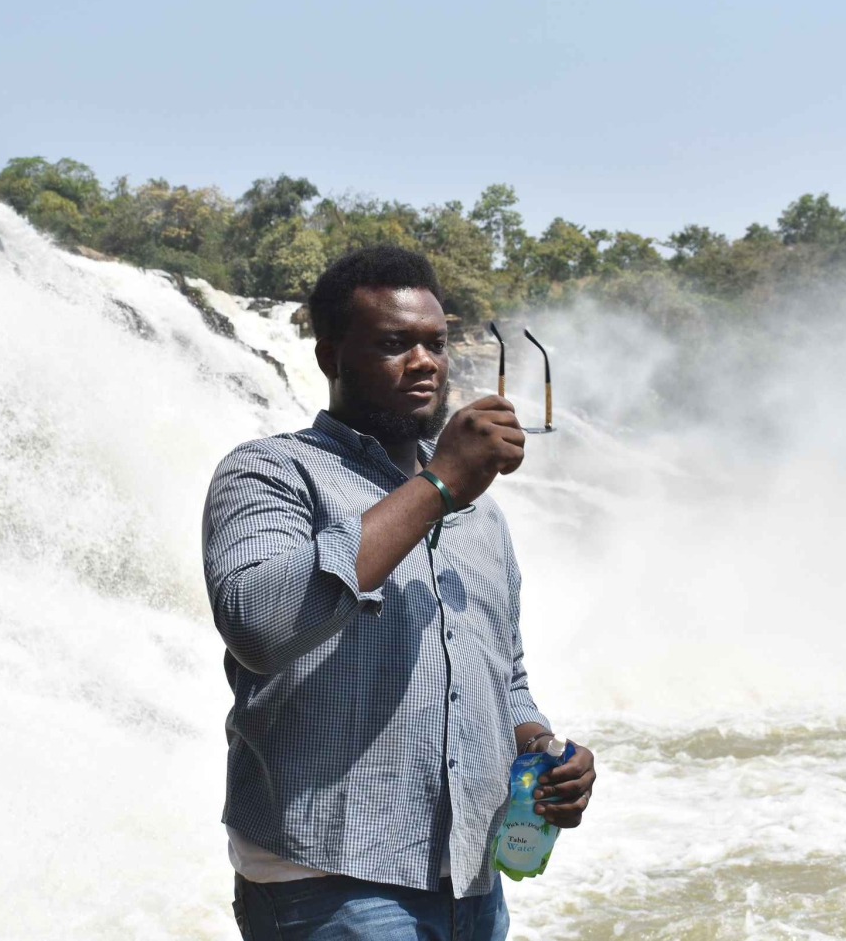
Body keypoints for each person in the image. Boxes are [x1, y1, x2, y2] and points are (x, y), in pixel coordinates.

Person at [202, 245, 596, 940]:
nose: (425, 362)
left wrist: (542, 746)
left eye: (435, 343)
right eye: (394, 344)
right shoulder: (271, 472)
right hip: (325, 880)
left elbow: (504, 679)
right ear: (330, 357)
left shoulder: (482, 515)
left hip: (470, 881)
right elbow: (259, 627)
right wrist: (438, 485)